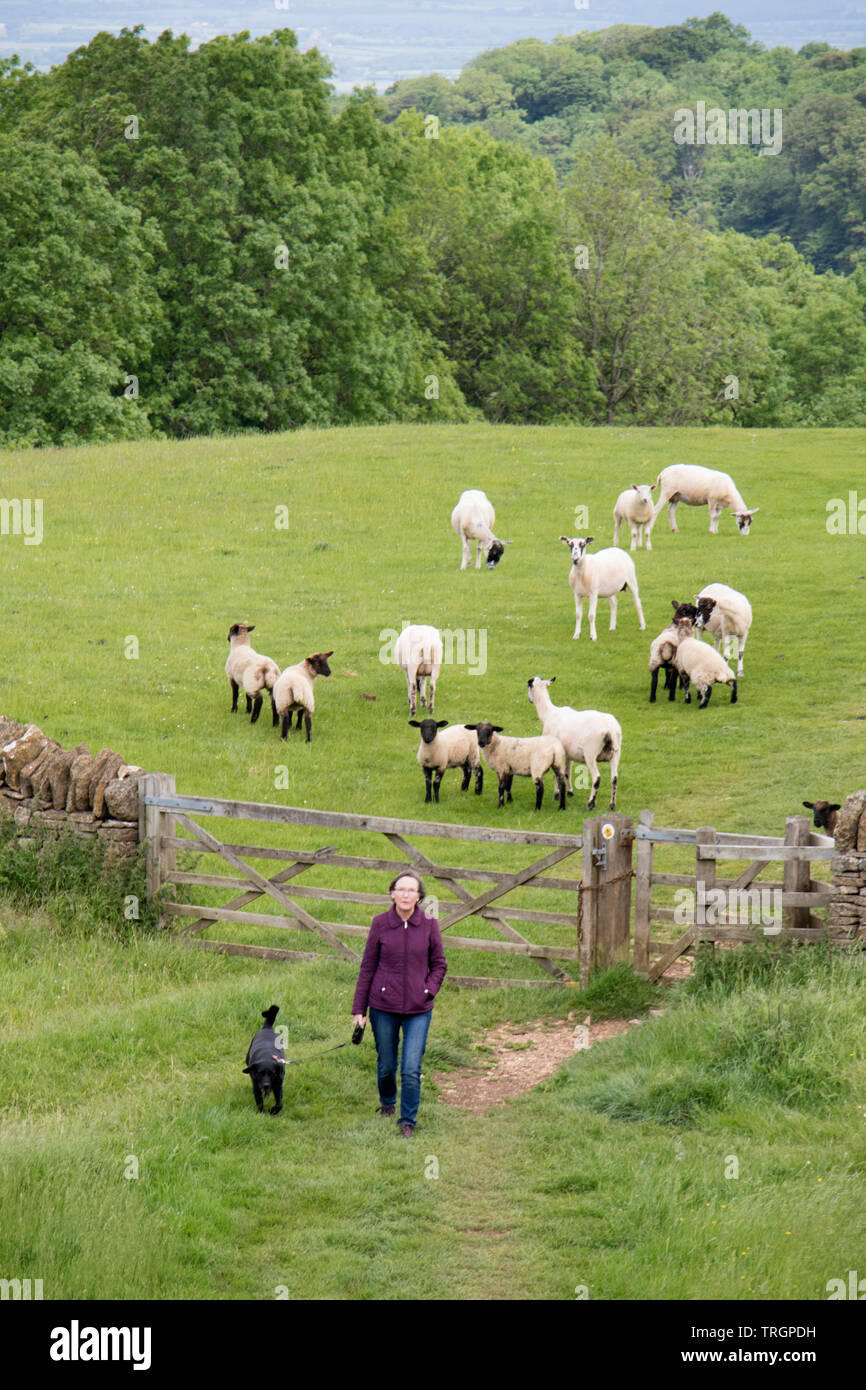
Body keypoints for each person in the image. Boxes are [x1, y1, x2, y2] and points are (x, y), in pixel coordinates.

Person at [352, 871, 447, 1137]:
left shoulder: (429, 924)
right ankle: (387, 1102)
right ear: (392, 893)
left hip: (419, 1008)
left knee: (411, 1067)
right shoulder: (380, 923)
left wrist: (428, 990)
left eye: (411, 891)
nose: (406, 895)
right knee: (386, 1065)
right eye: (400, 889)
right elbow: (367, 967)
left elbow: (439, 964)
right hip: (383, 1006)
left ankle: (407, 1120)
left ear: (419, 896)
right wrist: (360, 1010)